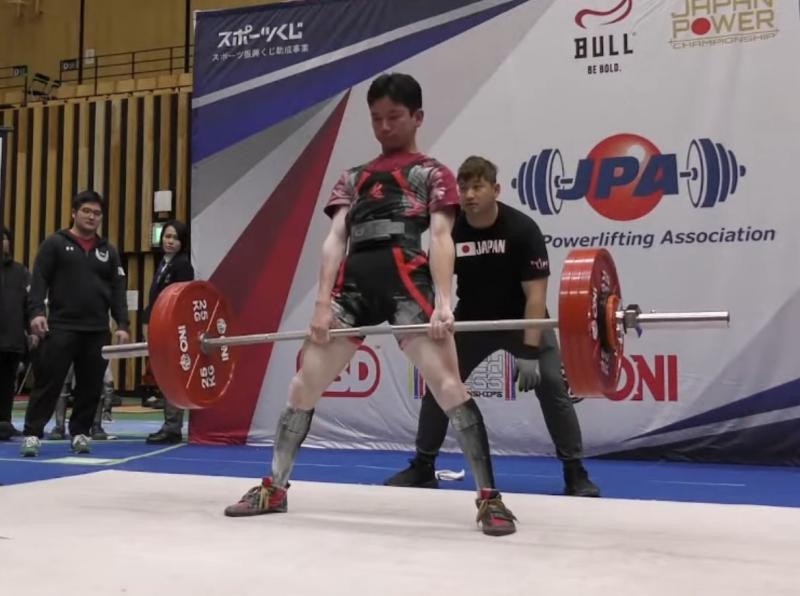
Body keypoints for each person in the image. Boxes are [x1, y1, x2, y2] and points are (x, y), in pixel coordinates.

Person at [224, 73, 517, 536]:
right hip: (353, 288)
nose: (384, 127)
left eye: (394, 117)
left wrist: (443, 303)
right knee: (303, 386)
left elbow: (442, 238)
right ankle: (274, 489)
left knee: (449, 387)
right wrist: (321, 304)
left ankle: (490, 499)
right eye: (376, 118)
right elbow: (334, 240)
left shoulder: (433, 173)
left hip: (408, 285)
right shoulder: (353, 177)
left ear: (417, 117)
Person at [385, 156, 600, 497]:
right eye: (464, 188)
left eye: (477, 187)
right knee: (441, 384)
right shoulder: (451, 230)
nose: (469, 195)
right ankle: (423, 466)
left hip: (523, 319)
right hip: (473, 321)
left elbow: (536, 297)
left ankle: (575, 472)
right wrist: (433, 315)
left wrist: (529, 351)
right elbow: (435, 282)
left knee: (552, 385)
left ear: (495, 190)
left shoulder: (522, 229)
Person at [20, 190, 130, 457]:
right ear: (74, 213)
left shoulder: (108, 251)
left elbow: (118, 289)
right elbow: (39, 281)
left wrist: (123, 324)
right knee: (49, 382)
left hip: (97, 330)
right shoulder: (55, 244)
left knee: (91, 386)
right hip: (61, 326)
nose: (92, 217)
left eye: (97, 213)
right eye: (86, 211)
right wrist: (36, 313)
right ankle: (33, 434)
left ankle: (80, 432)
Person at [143, 220, 194, 444]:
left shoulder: (182, 265)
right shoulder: (164, 263)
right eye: (167, 236)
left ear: (182, 242)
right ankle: (170, 424)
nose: (170, 241)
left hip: (172, 328)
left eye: (175, 238)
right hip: (159, 326)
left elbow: (180, 300)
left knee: (172, 377)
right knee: (164, 377)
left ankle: (173, 427)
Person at [0, 226, 38, 441]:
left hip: (13, 338)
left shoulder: (20, 271)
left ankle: (5, 422)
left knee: (8, 384)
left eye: (4, 238)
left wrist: (32, 330)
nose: (2, 242)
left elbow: (29, 303)